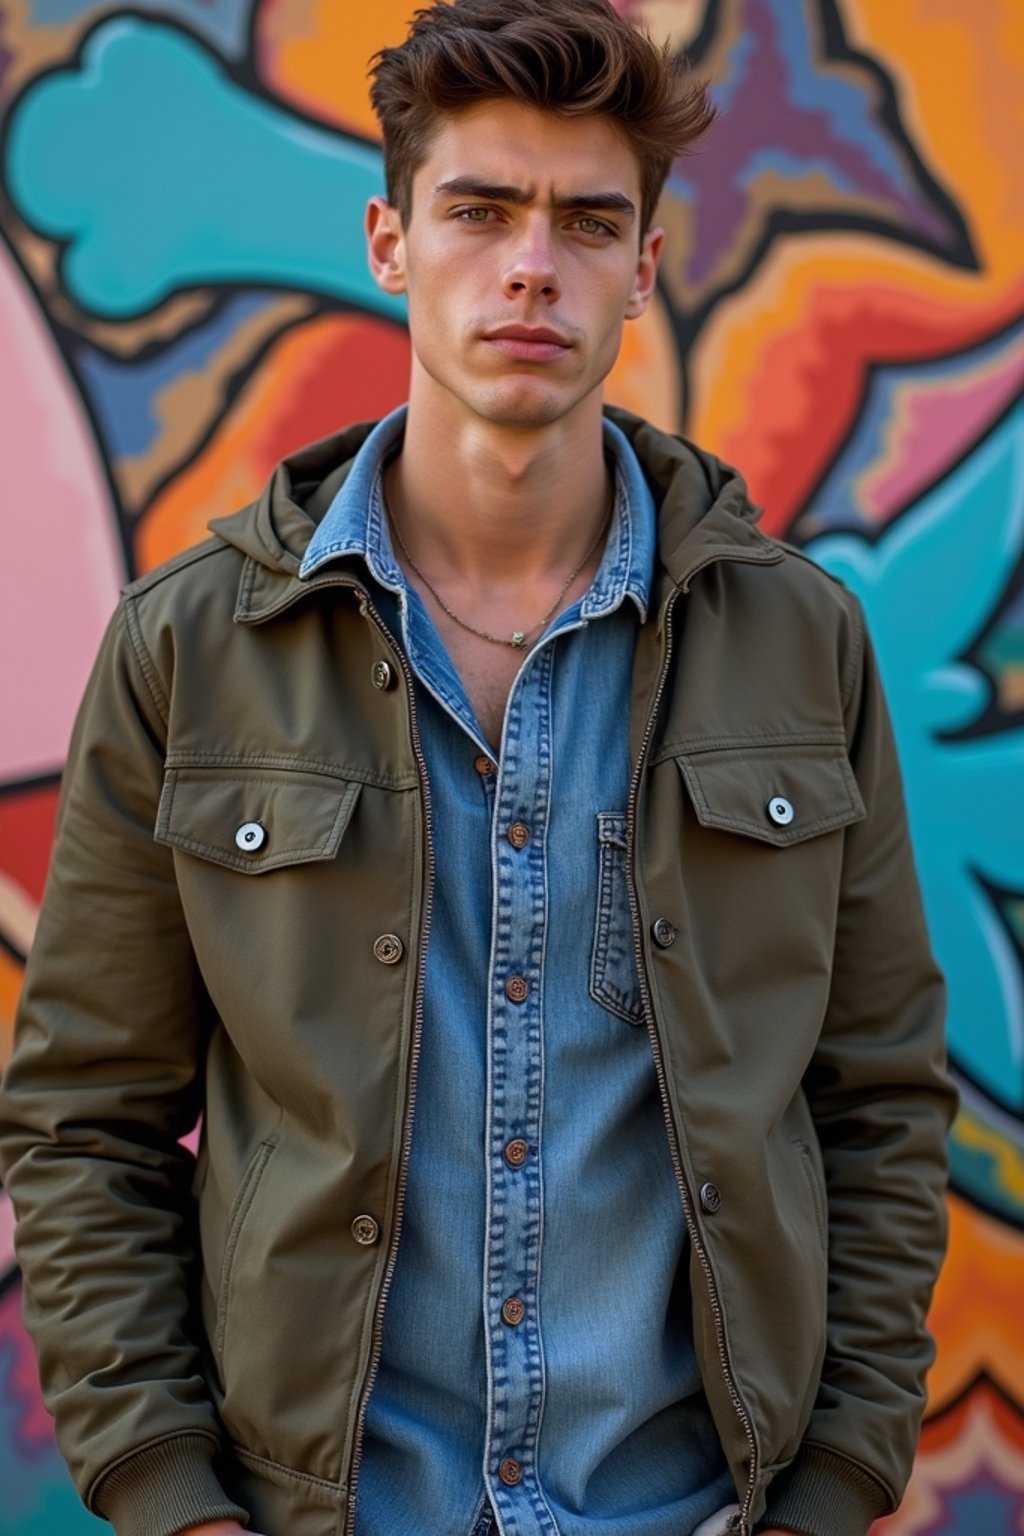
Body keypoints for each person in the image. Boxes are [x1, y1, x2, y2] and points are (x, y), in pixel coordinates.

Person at [0, 3, 956, 1535]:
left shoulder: (796, 644)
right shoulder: (194, 648)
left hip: (696, 1506)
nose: (532, 265)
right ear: (390, 241)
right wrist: (179, 1504)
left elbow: (881, 1098)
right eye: (480, 211)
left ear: (644, 270)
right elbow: (85, 1120)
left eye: (589, 222)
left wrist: (833, 1487)